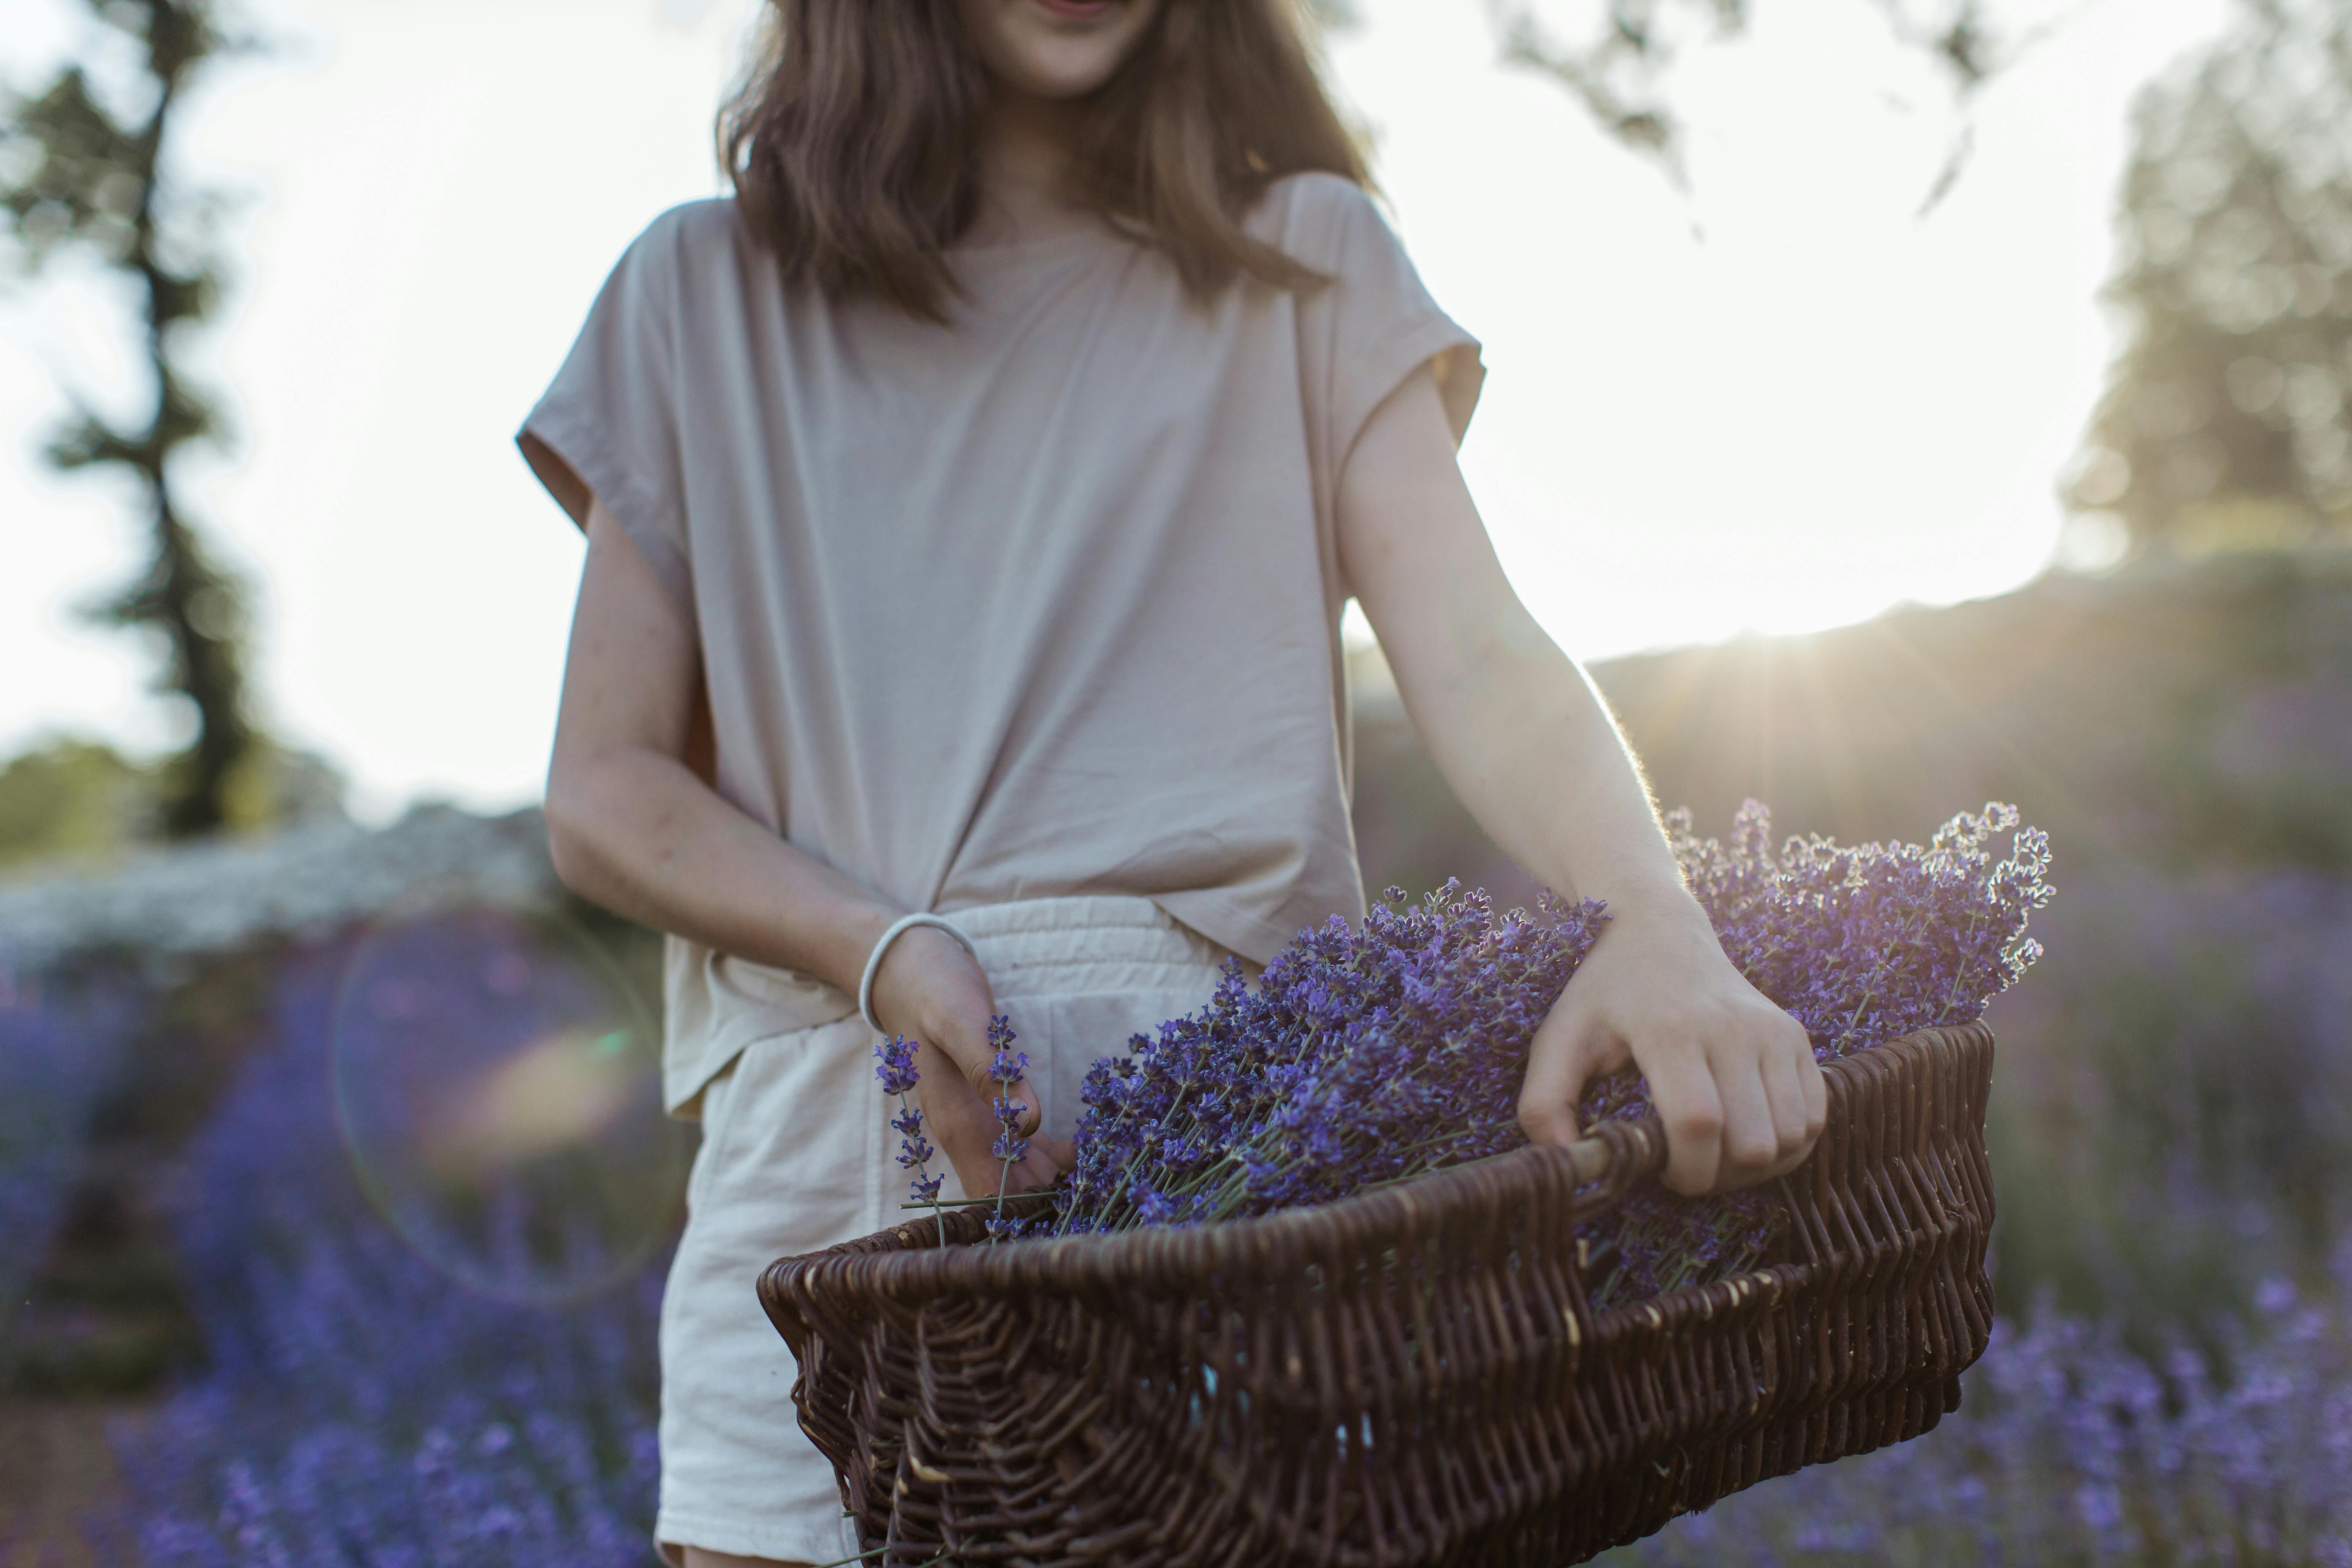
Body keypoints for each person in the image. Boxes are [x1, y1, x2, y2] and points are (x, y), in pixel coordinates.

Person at [519, 0, 1827, 1562]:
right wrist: (880, 950)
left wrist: (1658, 920)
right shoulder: (693, 294)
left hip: (1233, 1142)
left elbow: (1479, 651)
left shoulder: (1307, 259)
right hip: (820, 1137)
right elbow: (605, 782)